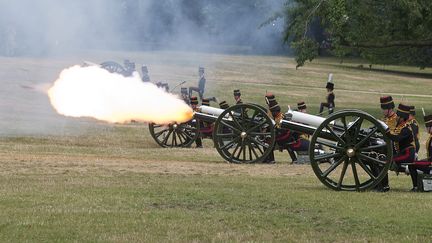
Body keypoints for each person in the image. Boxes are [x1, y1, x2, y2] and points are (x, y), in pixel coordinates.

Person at [386, 104, 417, 191]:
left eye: (398, 116)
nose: (396, 117)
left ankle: (384, 185)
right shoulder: (400, 127)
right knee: (389, 159)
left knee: (388, 161)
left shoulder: (406, 128)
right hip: (403, 153)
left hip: (407, 153)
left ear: (402, 118)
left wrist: (387, 132)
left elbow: (397, 138)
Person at [373, 96, 397, 192]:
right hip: (384, 146)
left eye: (384, 109)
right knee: (372, 157)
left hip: (393, 148)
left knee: (380, 159)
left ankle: (384, 185)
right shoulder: (385, 119)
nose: (383, 111)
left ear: (389, 108)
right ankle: (376, 183)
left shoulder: (396, 119)